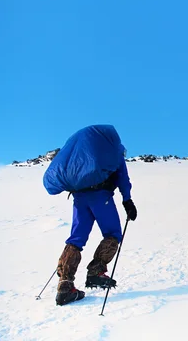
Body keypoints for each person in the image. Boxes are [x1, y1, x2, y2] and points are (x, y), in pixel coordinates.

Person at [43, 125, 138, 307]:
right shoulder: (114, 151)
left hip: (79, 197)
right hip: (100, 197)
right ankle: (96, 272)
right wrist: (127, 200)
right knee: (113, 234)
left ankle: (65, 286)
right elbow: (122, 177)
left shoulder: (81, 156)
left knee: (76, 239)